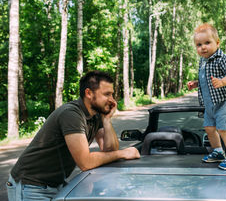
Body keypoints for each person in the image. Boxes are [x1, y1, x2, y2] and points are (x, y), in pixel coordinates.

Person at [7, 71, 140, 201]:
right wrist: (123, 153)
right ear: (88, 93)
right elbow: (85, 163)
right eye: (107, 94)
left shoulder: (96, 115)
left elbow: (109, 149)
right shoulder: (71, 114)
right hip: (30, 186)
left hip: (55, 185)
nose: (112, 100)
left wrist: (106, 120)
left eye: (112, 94)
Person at [187, 23, 226, 170]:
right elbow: (206, 80)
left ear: (217, 43)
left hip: (224, 102)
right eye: (199, 44)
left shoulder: (222, 58)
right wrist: (196, 83)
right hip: (209, 104)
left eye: (207, 43)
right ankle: (218, 151)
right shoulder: (203, 61)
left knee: (223, 129)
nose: (203, 47)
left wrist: (223, 81)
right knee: (209, 128)